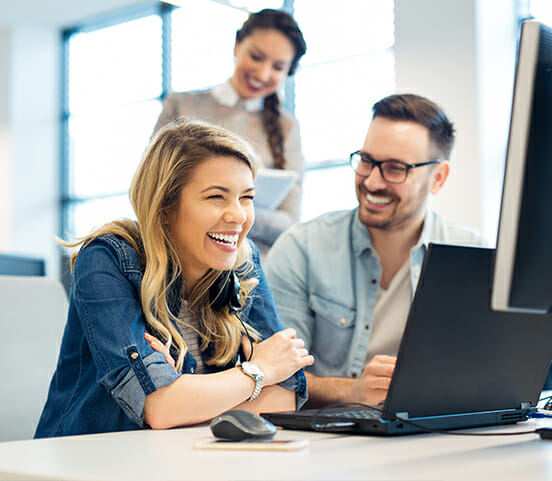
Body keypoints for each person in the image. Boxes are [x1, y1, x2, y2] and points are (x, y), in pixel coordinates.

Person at [35, 119, 313, 438]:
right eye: (216, 197)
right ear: (165, 206)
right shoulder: (106, 258)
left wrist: (185, 395)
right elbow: (161, 408)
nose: (238, 215)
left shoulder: (242, 261)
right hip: (83, 460)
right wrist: (259, 370)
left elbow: (284, 398)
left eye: (246, 197)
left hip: (182, 459)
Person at [264, 93, 486, 408]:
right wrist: (352, 391)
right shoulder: (301, 248)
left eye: (395, 168)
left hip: (438, 438)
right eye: (366, 160)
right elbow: (274, 376)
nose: (372, 181)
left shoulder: (474, 257)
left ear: (438, 178)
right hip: (328, 444)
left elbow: (490, 377)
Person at [153, 9, 307, 251]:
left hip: (252, 270)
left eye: (278, 67)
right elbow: (151, 190)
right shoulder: (181, 106)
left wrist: (228, 212)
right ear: (237, 45)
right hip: (180, 257)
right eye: (256, 57)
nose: (263, 73)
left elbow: (290, 223)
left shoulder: (287, 128)